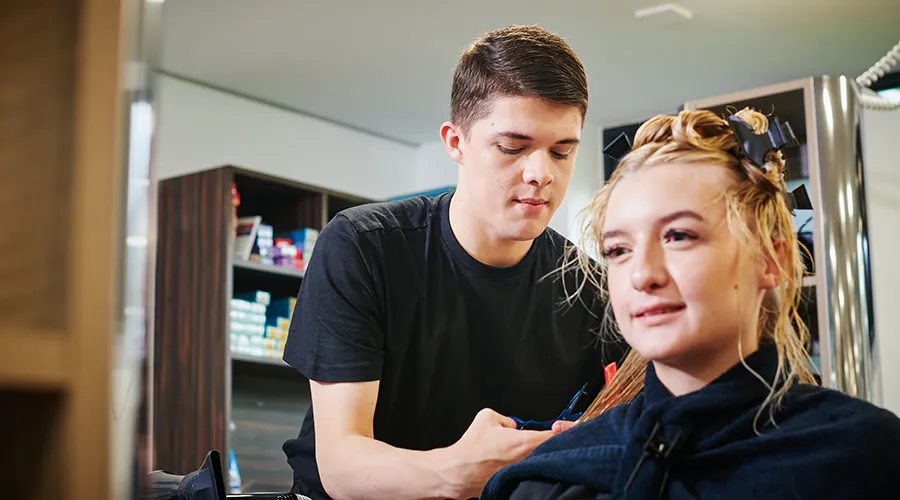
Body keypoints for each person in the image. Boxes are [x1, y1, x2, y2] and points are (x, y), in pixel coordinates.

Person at [280, 25, 628, 500]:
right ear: (456, 142)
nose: (541, 173)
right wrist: (460, 471)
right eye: (513, 147)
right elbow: (342, 466)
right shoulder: (363, 246)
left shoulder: (591, 288)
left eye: (562, 151)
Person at [481, 108, 900, 500]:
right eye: (618, 250)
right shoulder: (547, 479)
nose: (643, 274)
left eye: (679, 236)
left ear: (771, 261)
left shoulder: (865, 459)